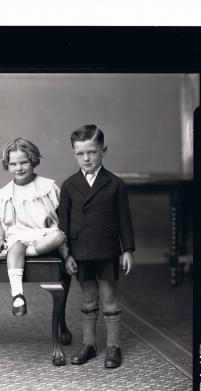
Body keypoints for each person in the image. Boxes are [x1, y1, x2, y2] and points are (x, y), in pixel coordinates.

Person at [59, 125, 135, 369]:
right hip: (80, 252)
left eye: (91, 152)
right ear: (74, 153)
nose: (86, 158)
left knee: (109, 298)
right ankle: (89, 344)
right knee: (88, 298)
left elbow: (125, 219)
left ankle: (114, 346)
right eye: (80, 154)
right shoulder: (69, 185)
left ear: (104, 150)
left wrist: (127, 250)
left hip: (108, 250)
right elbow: (64, 223)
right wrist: (66, 253)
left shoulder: (115, 184)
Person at [0, 138, 69, 316]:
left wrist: (66, 249)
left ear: (33, 160)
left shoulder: (47, 187)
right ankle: (17, 295)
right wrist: (0, 240)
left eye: (24, 162)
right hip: (19, 237)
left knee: (58, 236)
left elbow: (62, 215)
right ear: (7, 165)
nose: (19, 168)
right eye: (13, 164)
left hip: (44, 236)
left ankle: (21, 252)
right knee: (16, 245)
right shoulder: (6, 193)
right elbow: (0, 221)